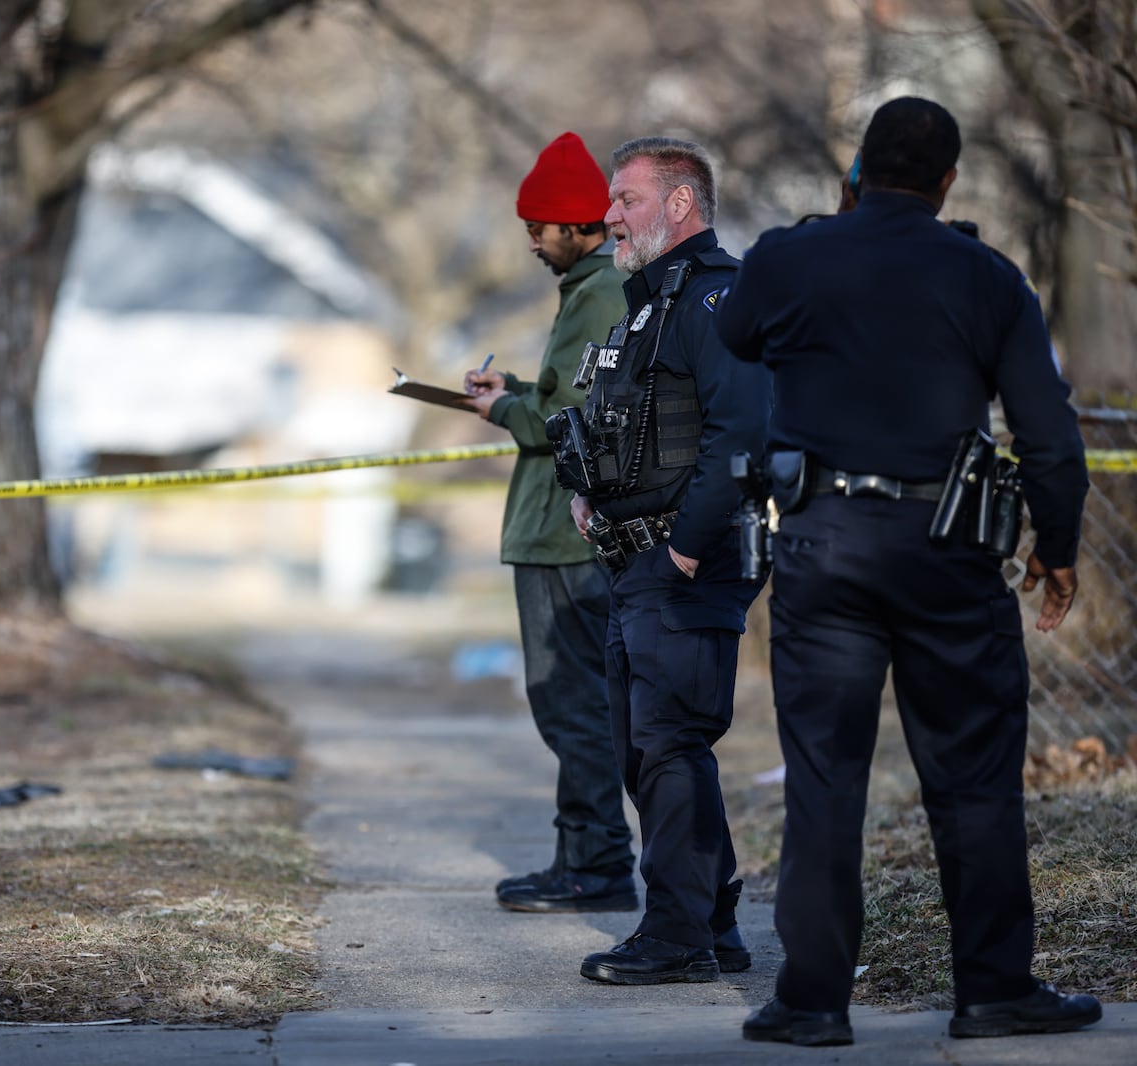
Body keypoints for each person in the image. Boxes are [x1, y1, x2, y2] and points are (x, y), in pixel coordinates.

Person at [716, 97, 1100, 1046]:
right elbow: (1049, 437)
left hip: (822, 544)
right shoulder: (988, 276)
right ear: (948, 182)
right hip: (947, 552)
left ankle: (811, 1003)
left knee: (823, 775)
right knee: (972, 774)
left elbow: (736, 339)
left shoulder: (787, 258)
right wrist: (1055, 547)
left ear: (855, 171)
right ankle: (993, 991)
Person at [560, 136, 770, 985]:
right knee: (645, 747)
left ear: (681, 204)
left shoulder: (717, 299)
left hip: (690, 563)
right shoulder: (652, 302)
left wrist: (683, 547)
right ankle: (712, 923)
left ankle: (677, 935)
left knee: (670, 744)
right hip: (640, 563)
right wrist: (593, 494)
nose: (609, 215)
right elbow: (643, 433)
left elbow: (741, 436)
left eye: (627, 199)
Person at [463, 131, 638, 912]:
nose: (533, 242)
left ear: (576, 225)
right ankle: (583, 857)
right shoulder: (598, 290)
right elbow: (570, 391)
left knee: (569, 699)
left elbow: (566, 418)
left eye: (540, 228)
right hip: (568, 530)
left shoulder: (599, 291)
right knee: (576, 699)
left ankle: (596, 868)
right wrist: (519, 387)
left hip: (562, 532)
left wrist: (501, 406)